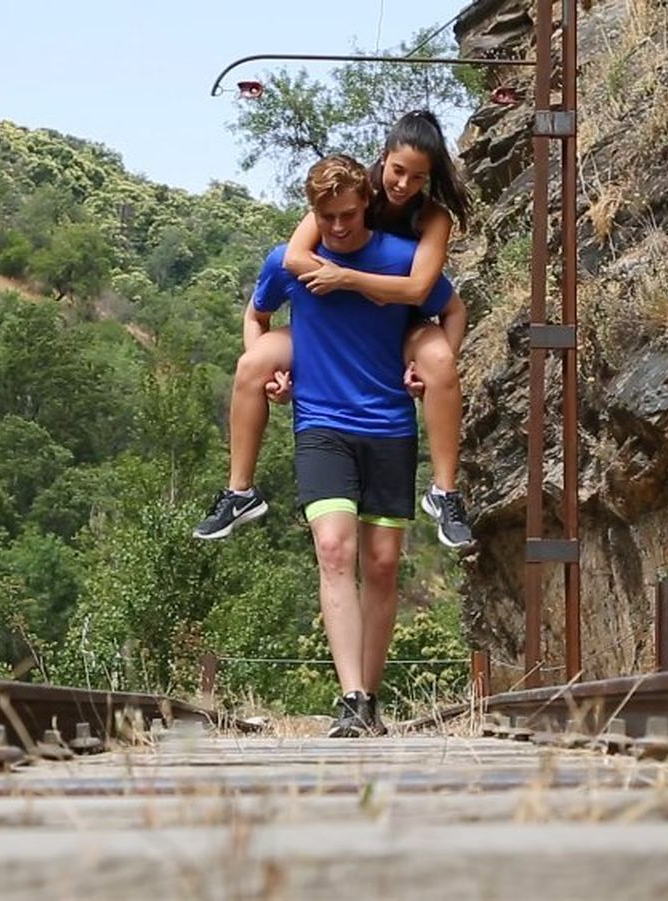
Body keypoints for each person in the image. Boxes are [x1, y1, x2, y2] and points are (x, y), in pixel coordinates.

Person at [246, 154, 462, 737]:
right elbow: (257, 316)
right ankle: (352, 698)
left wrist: (429, 369)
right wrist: (273, 376)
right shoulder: (289, 262)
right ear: (311, 213)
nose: (338, 227)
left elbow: (449, 309)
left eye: (347, 214)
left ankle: (370, 701)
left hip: (389, 426)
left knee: (383, 566)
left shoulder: (399, 260)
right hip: (320, 426)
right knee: (334, 551)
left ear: (367, 202)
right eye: (326, 217)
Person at [193, 111, 475, 548]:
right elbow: (293, 258)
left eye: (418, 177)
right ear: (383, 158)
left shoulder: (432, 217)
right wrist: (278, 376)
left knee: (439, 360)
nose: (404, 184)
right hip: (329, 329)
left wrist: (349, 280)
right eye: (398, 171)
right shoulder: (348, 192)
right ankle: (240, 492)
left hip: (400, 325)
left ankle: (444, 492)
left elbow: (420, 289)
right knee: (253, 363)